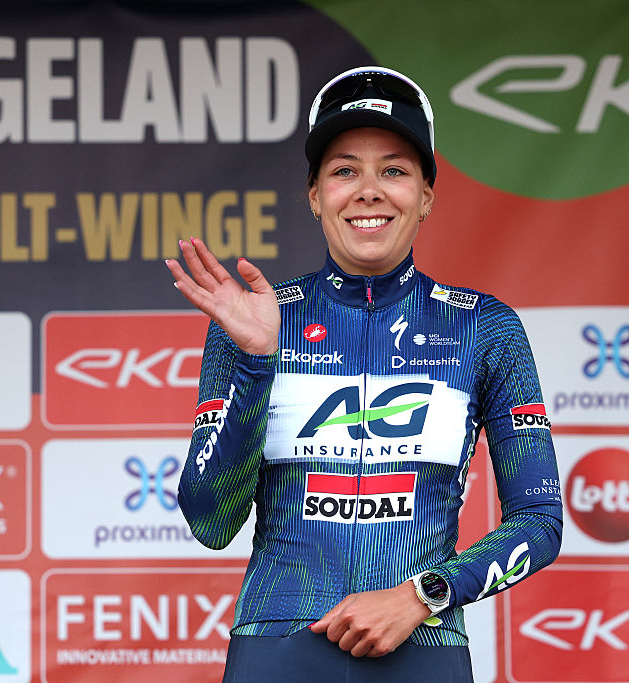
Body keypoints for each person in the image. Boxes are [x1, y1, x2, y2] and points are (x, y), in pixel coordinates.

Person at [166, 66, 562, 682]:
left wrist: (422, 596)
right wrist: (254, 361)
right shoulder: (255, 319)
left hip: (423, 646)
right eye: (345, 170)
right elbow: (210, 521)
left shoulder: (486, 326)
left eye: (396, 170)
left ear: (427, 196)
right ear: (315, 194)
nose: (369, 190)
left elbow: (539, 524)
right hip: (278, 645)